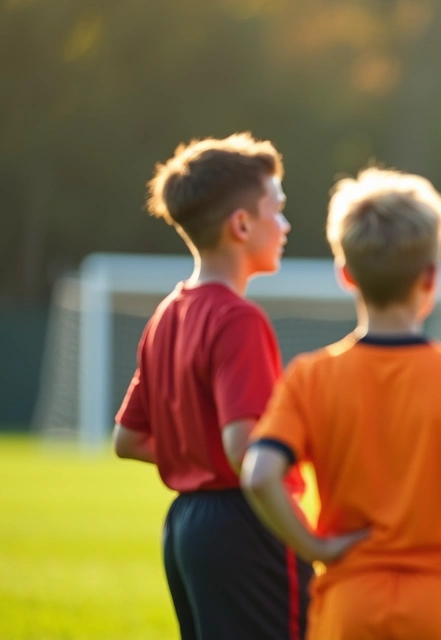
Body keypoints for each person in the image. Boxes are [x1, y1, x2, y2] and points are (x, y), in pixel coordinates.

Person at [241, 168, 441, 640]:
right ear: (431, 277)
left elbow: (260, 474)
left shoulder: (311, 375)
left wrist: (315, 548)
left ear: (345, 273)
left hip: (348, 601)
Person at [112, 133, 312, 638]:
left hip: (186, 527)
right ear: (242, 224)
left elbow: (128, 439)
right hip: (248, 528)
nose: (286, 225)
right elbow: (244, 447)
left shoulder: (166, 314)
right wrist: (314, 542)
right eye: (278, 210)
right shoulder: (238, 320)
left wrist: (193, 461)